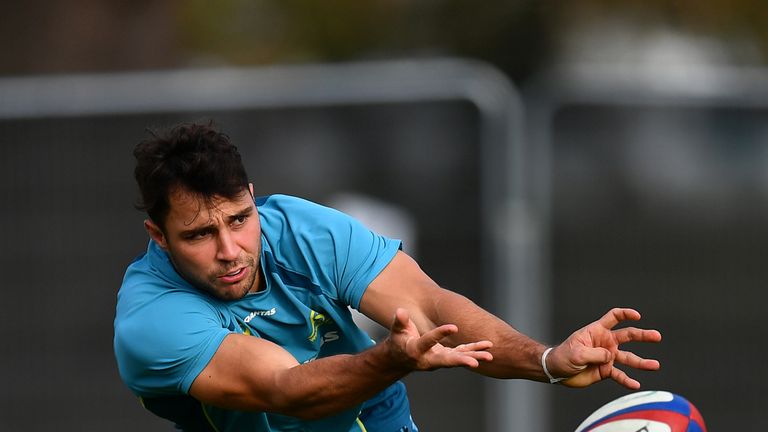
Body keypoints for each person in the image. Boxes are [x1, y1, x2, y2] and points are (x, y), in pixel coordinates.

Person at [114, 122, 662, 432]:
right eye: (200, 235)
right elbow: (287, 392)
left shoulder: (302, 231)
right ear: (158, 235)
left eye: (240, 220)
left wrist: (547, 360)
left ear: (253, 197)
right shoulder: (151, 318)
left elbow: (431, 307)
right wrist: (390, 359)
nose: (230, 250)